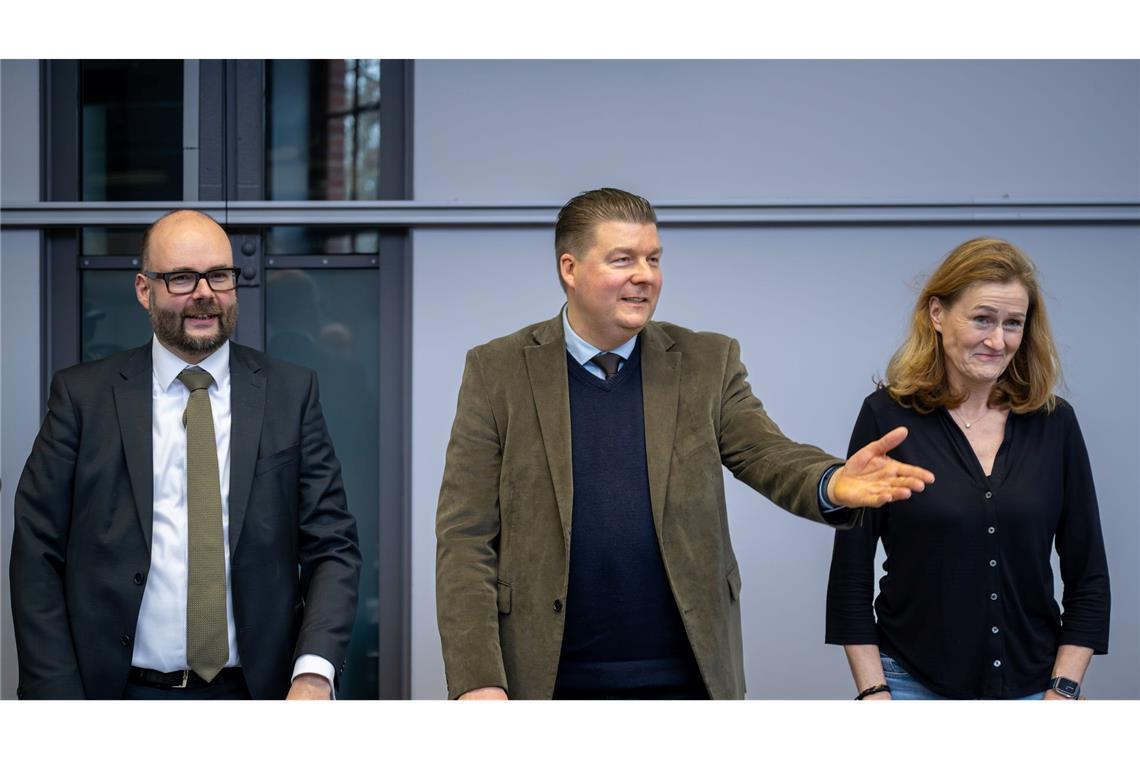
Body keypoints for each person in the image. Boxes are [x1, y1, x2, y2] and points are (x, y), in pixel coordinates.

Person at [435, 188, 935, 700]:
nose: (645, 275)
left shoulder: (706, 361)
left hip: (688, 678)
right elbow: (465, 536)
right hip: (543, 682)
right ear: (570, 268)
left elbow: (765, 452)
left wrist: (830, 481)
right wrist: (478, 680)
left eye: (653, 259)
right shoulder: (497, 370)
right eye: (623, 259)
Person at [10, 209, 362, 699]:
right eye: (181, 278)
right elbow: (37, 553)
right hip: (116, 700)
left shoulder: (291, 393)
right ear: (144, 289)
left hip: (259, 698)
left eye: (219, 275)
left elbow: (333, 548)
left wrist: (313, 674)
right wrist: (59, 703)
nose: (204, 293)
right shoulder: (82, 398)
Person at [826, 238, 1110, 700]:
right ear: (937, 314)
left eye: (1013, 323)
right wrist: (874, 692)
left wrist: (1063, 690)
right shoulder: (886, 419)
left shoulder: (1055, 424)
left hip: (1036, 690)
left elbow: (1089, 575)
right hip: (910, 685)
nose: (998, 341)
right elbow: (850, 574)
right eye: (982, 319)